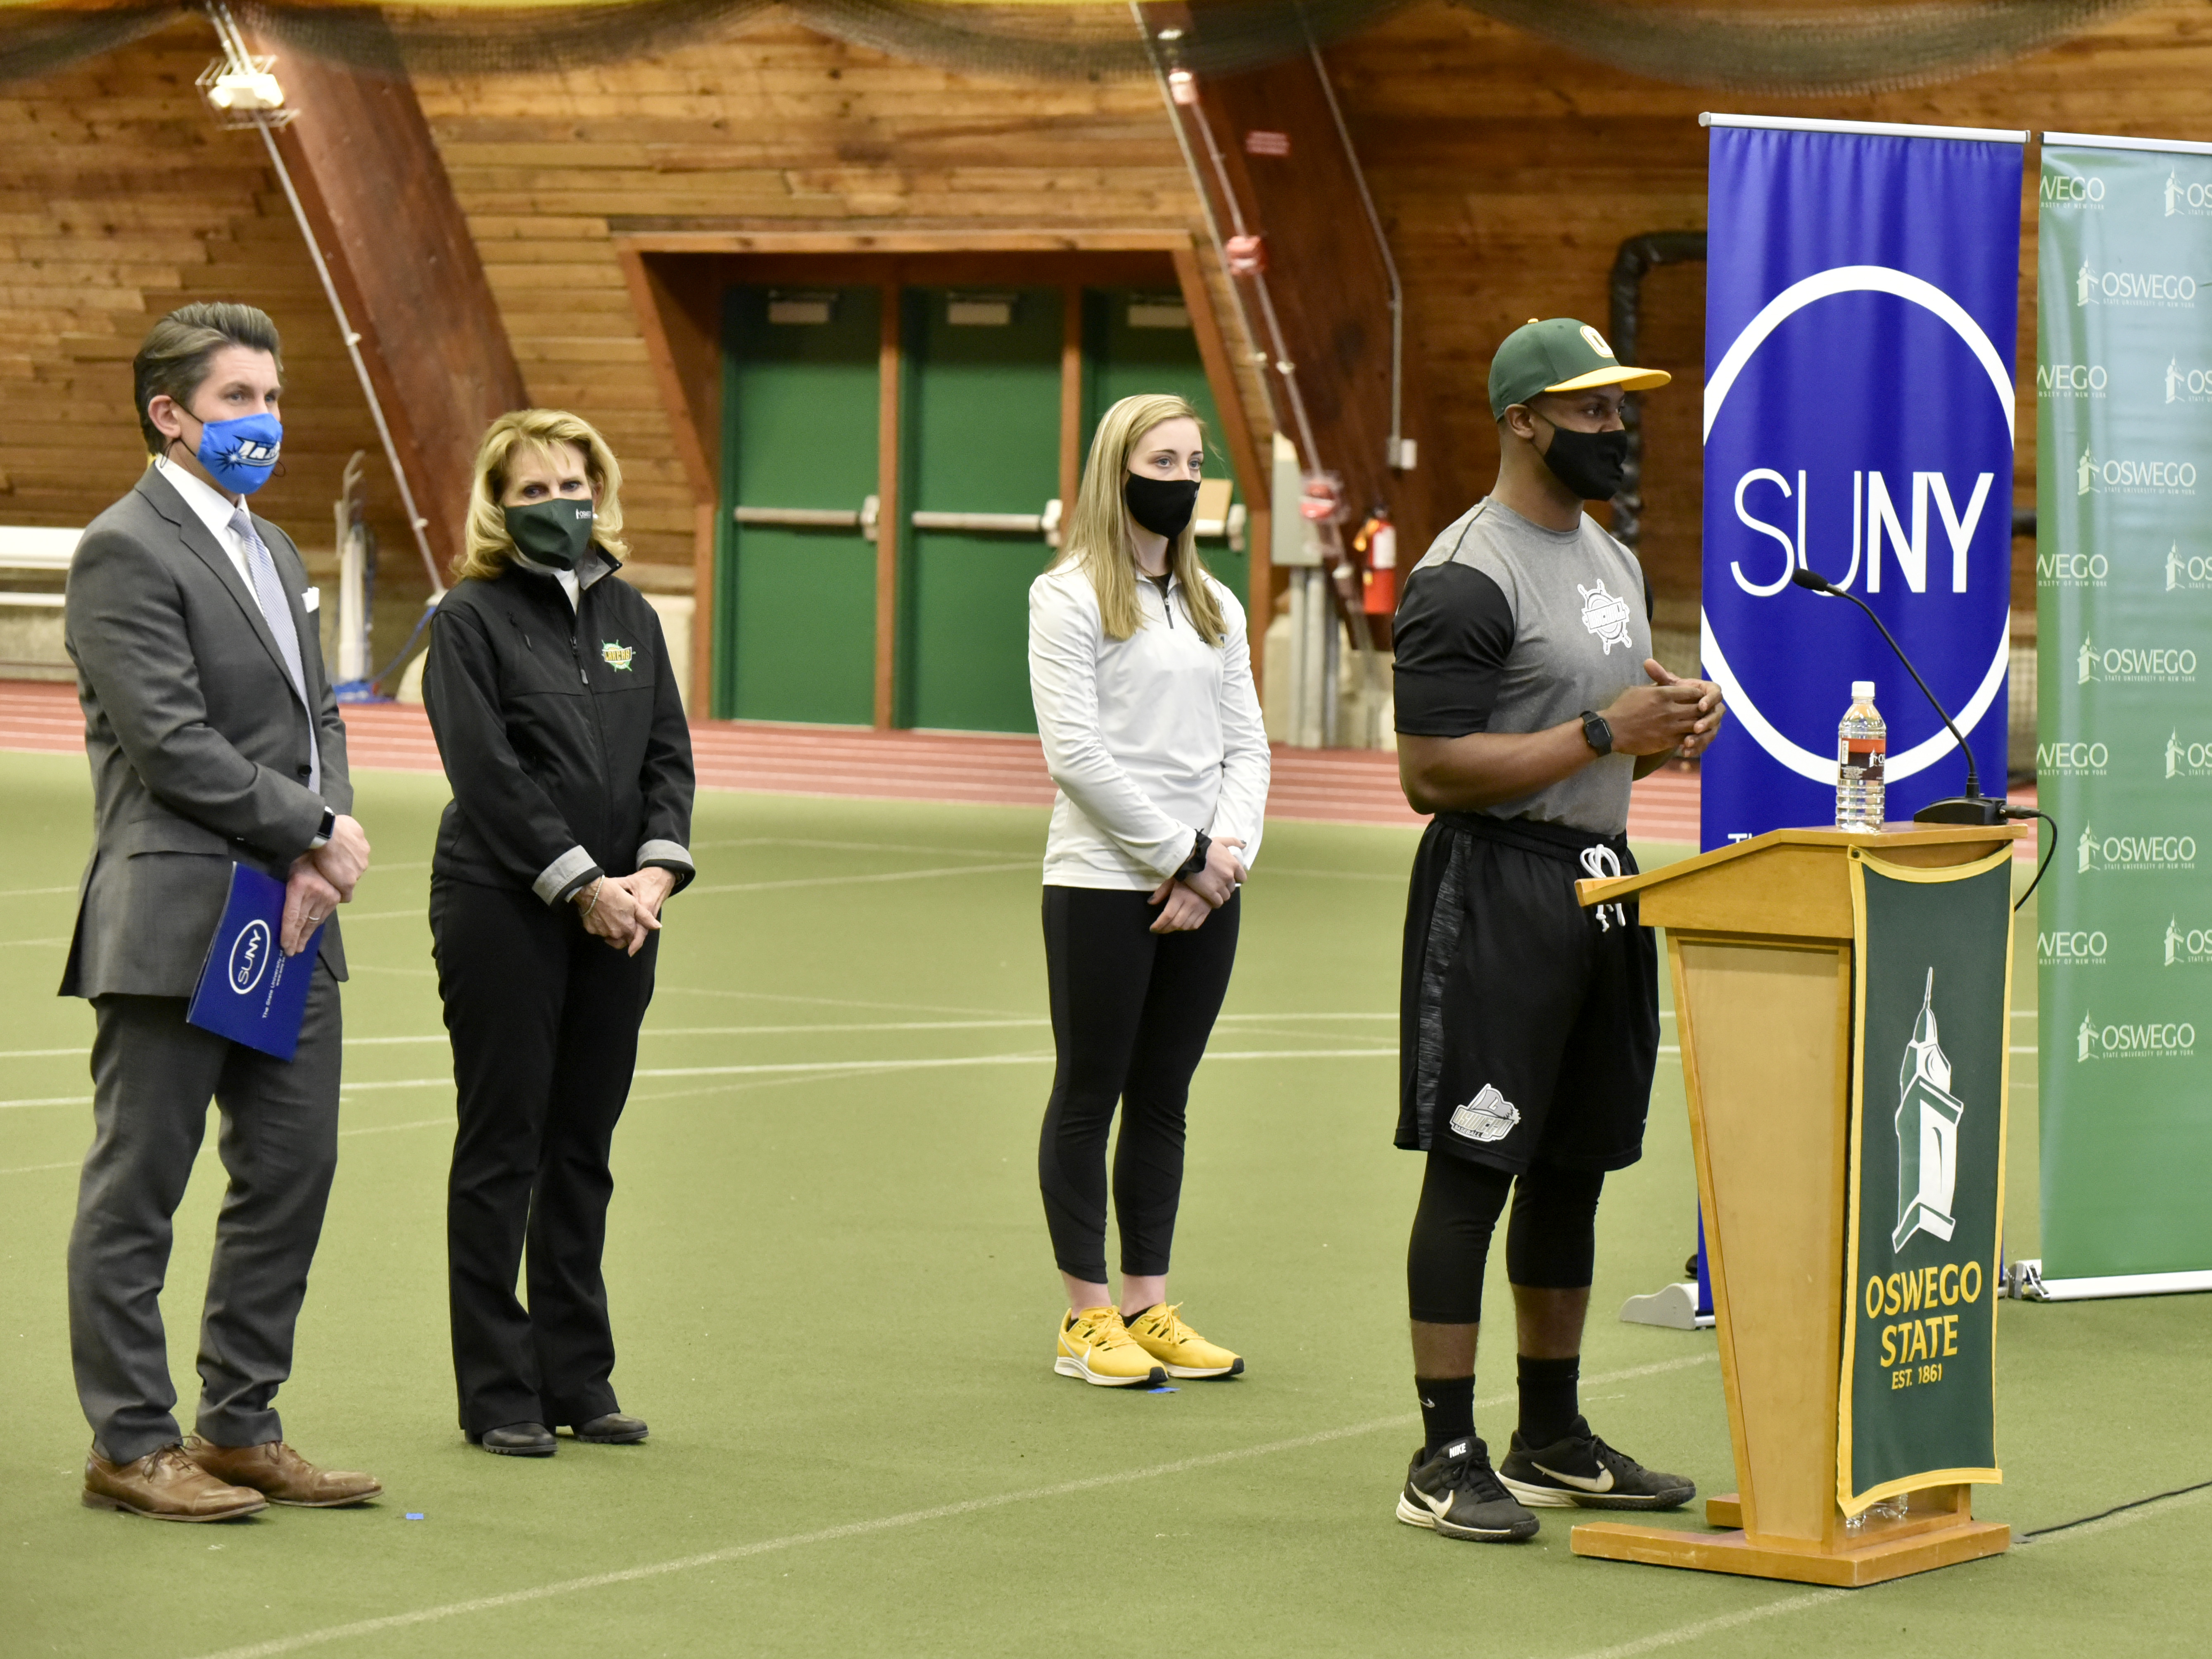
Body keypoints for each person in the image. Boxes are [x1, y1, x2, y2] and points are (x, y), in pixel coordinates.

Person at [1388, 318, 1726, 1541]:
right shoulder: (1464, 573)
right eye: (1587, 410)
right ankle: (1441, 1454)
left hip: (1600, 879)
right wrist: (1600, 735)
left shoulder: (1606, 557)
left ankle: (1549, 1437)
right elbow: (1429, 770)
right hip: (1496, 887)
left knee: (1572, 1163)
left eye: (1618, 408)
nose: (1614, 427)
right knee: (1476, 1166)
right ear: (1522, 419)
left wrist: (1666, 727)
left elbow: (1610, 723)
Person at [62, 302, 380, 1520]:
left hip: (291, 912)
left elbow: (321, 722)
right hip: (177, 912)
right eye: (240, 399)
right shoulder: (124, 549)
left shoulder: (278, 549)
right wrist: (307, 828)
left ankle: (240, 1425)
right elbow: (170, 742)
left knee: (292, 1169)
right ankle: (130, 1444)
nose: (266, 420)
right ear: (170, 415)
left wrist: (324, 844)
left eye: (272, 394)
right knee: (139, 1186)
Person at [424, 408, 696, 1457]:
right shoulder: (469, 618)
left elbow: (667, 752)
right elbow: (486, 774)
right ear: (498, 506)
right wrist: (580, 882)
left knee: (583, 1143)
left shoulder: (631, 610)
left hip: (628, 915)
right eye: (531, 491)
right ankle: (498, 1390)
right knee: (506, 1145)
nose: (556, 506)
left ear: (600, 488)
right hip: (504, 908)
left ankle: (578, 1375)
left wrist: (655, 872)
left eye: (570, 485)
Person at [1028, 392, 1270, 1388]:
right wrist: (1178, 857)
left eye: (1190, 462)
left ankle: (1146, 1301)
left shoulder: (1216, 606)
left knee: (1163, 1098)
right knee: (1091, 1092)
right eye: (1157, 461)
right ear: (1114, 472)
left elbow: (1246, 745)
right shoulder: (1068, 596)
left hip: (1207, 885)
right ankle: (1085, 1317)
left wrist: (1222, 863)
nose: (1177, 480)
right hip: (1100, 883)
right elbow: (1075, 754)